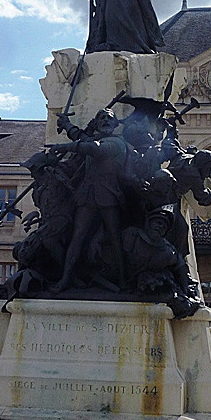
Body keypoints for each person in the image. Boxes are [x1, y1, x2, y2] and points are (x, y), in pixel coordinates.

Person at [53, 108, 128, 292]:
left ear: (116, 124)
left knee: (115, 237)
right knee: (77, 237)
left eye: (109, 118)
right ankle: (65, 278)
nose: (105, 121)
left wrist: (63, 147)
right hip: (87, 194)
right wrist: (66, 124)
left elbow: (93, 148)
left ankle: (124, 279)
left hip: (108, 194)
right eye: (101, 118)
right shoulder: (97, 139)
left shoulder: (118, 143)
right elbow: (81, 137)